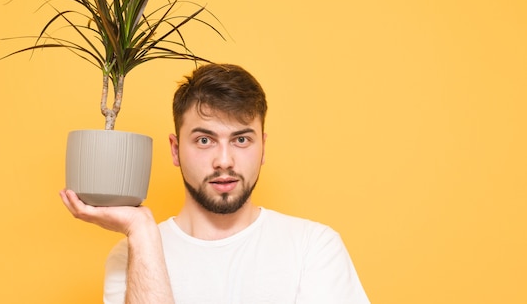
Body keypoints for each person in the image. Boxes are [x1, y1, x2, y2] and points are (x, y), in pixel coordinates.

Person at [60, 63, 370, 303]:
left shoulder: (313, 248)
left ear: (263, 147)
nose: (224, 160)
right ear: (175, 149)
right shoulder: (131, 254)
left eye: (241, 139)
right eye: (205, 139)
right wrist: (141, 230)